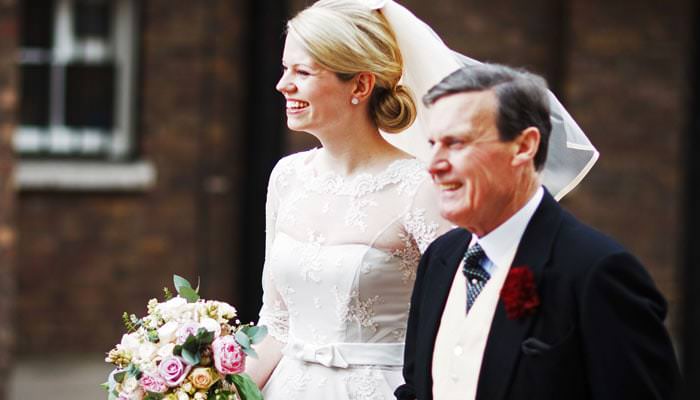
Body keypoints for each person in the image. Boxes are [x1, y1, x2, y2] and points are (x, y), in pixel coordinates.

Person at [395, 63, 681, 400]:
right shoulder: (441, 258)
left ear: (523, 146)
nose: (434, 164)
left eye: (456, 143)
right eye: (432, 144)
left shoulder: (598, 272)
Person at [244, 1, 452, 398]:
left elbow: (457, 319)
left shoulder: (421, 187)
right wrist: (209, 390)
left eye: (302, 72)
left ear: (359, 85)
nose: (283, 84)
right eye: (285, 69)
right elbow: (277, 324)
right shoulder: (287, 177)